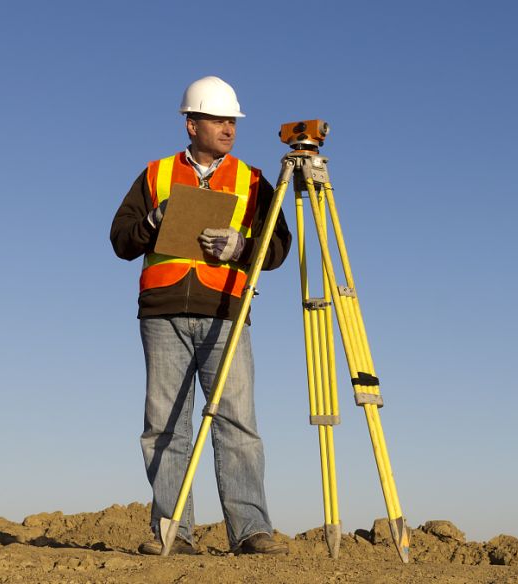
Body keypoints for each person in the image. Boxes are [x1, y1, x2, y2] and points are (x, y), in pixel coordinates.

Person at [109, 76, 292, 555]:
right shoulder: (155, 174)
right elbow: (120, 240)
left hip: (226, 312)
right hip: (163, 312)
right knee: (165, 427)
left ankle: (251, 531)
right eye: (218, 119)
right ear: (192, 124)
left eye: (232, 120)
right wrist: (151, 223)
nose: (228, 127)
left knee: (237, 423)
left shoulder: (252, 180)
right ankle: (174, 533)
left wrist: (242, 247)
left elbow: (277, 249)